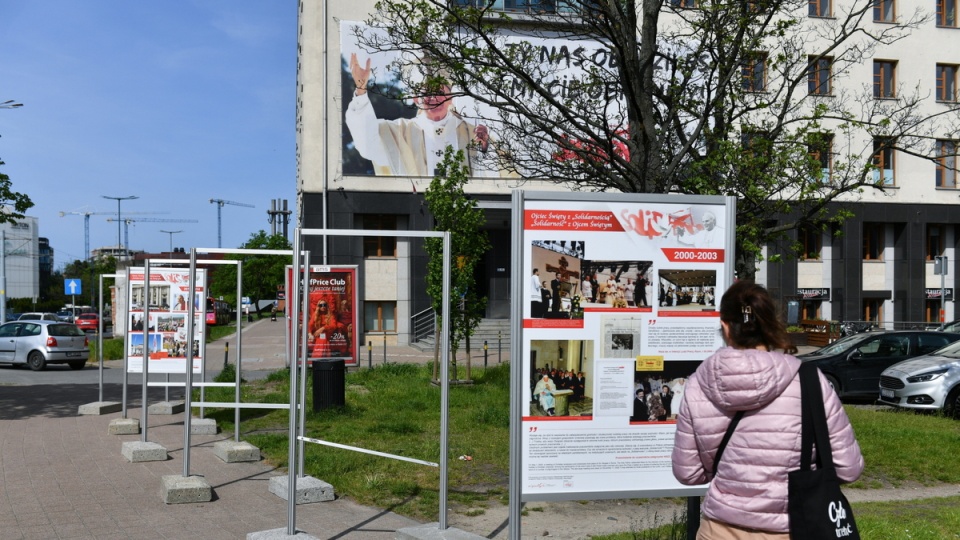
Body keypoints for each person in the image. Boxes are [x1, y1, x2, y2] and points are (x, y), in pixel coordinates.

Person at [671, 281, 864, 537]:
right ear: (769, 324)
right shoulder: (808, 380)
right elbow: (848, 468)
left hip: (719, 530)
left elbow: (688, 474)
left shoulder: (697, 384)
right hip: (790, 528)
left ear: (725, 326)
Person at [345, 52, 497, 177]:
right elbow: (368, 144)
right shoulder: (398, 133)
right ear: (416, 99)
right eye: (427, 92)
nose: (433, 98)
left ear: (451, 96)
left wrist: (484, 149)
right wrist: (360, 90)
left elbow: (495, 174)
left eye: (439, 91)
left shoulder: (472, 133)